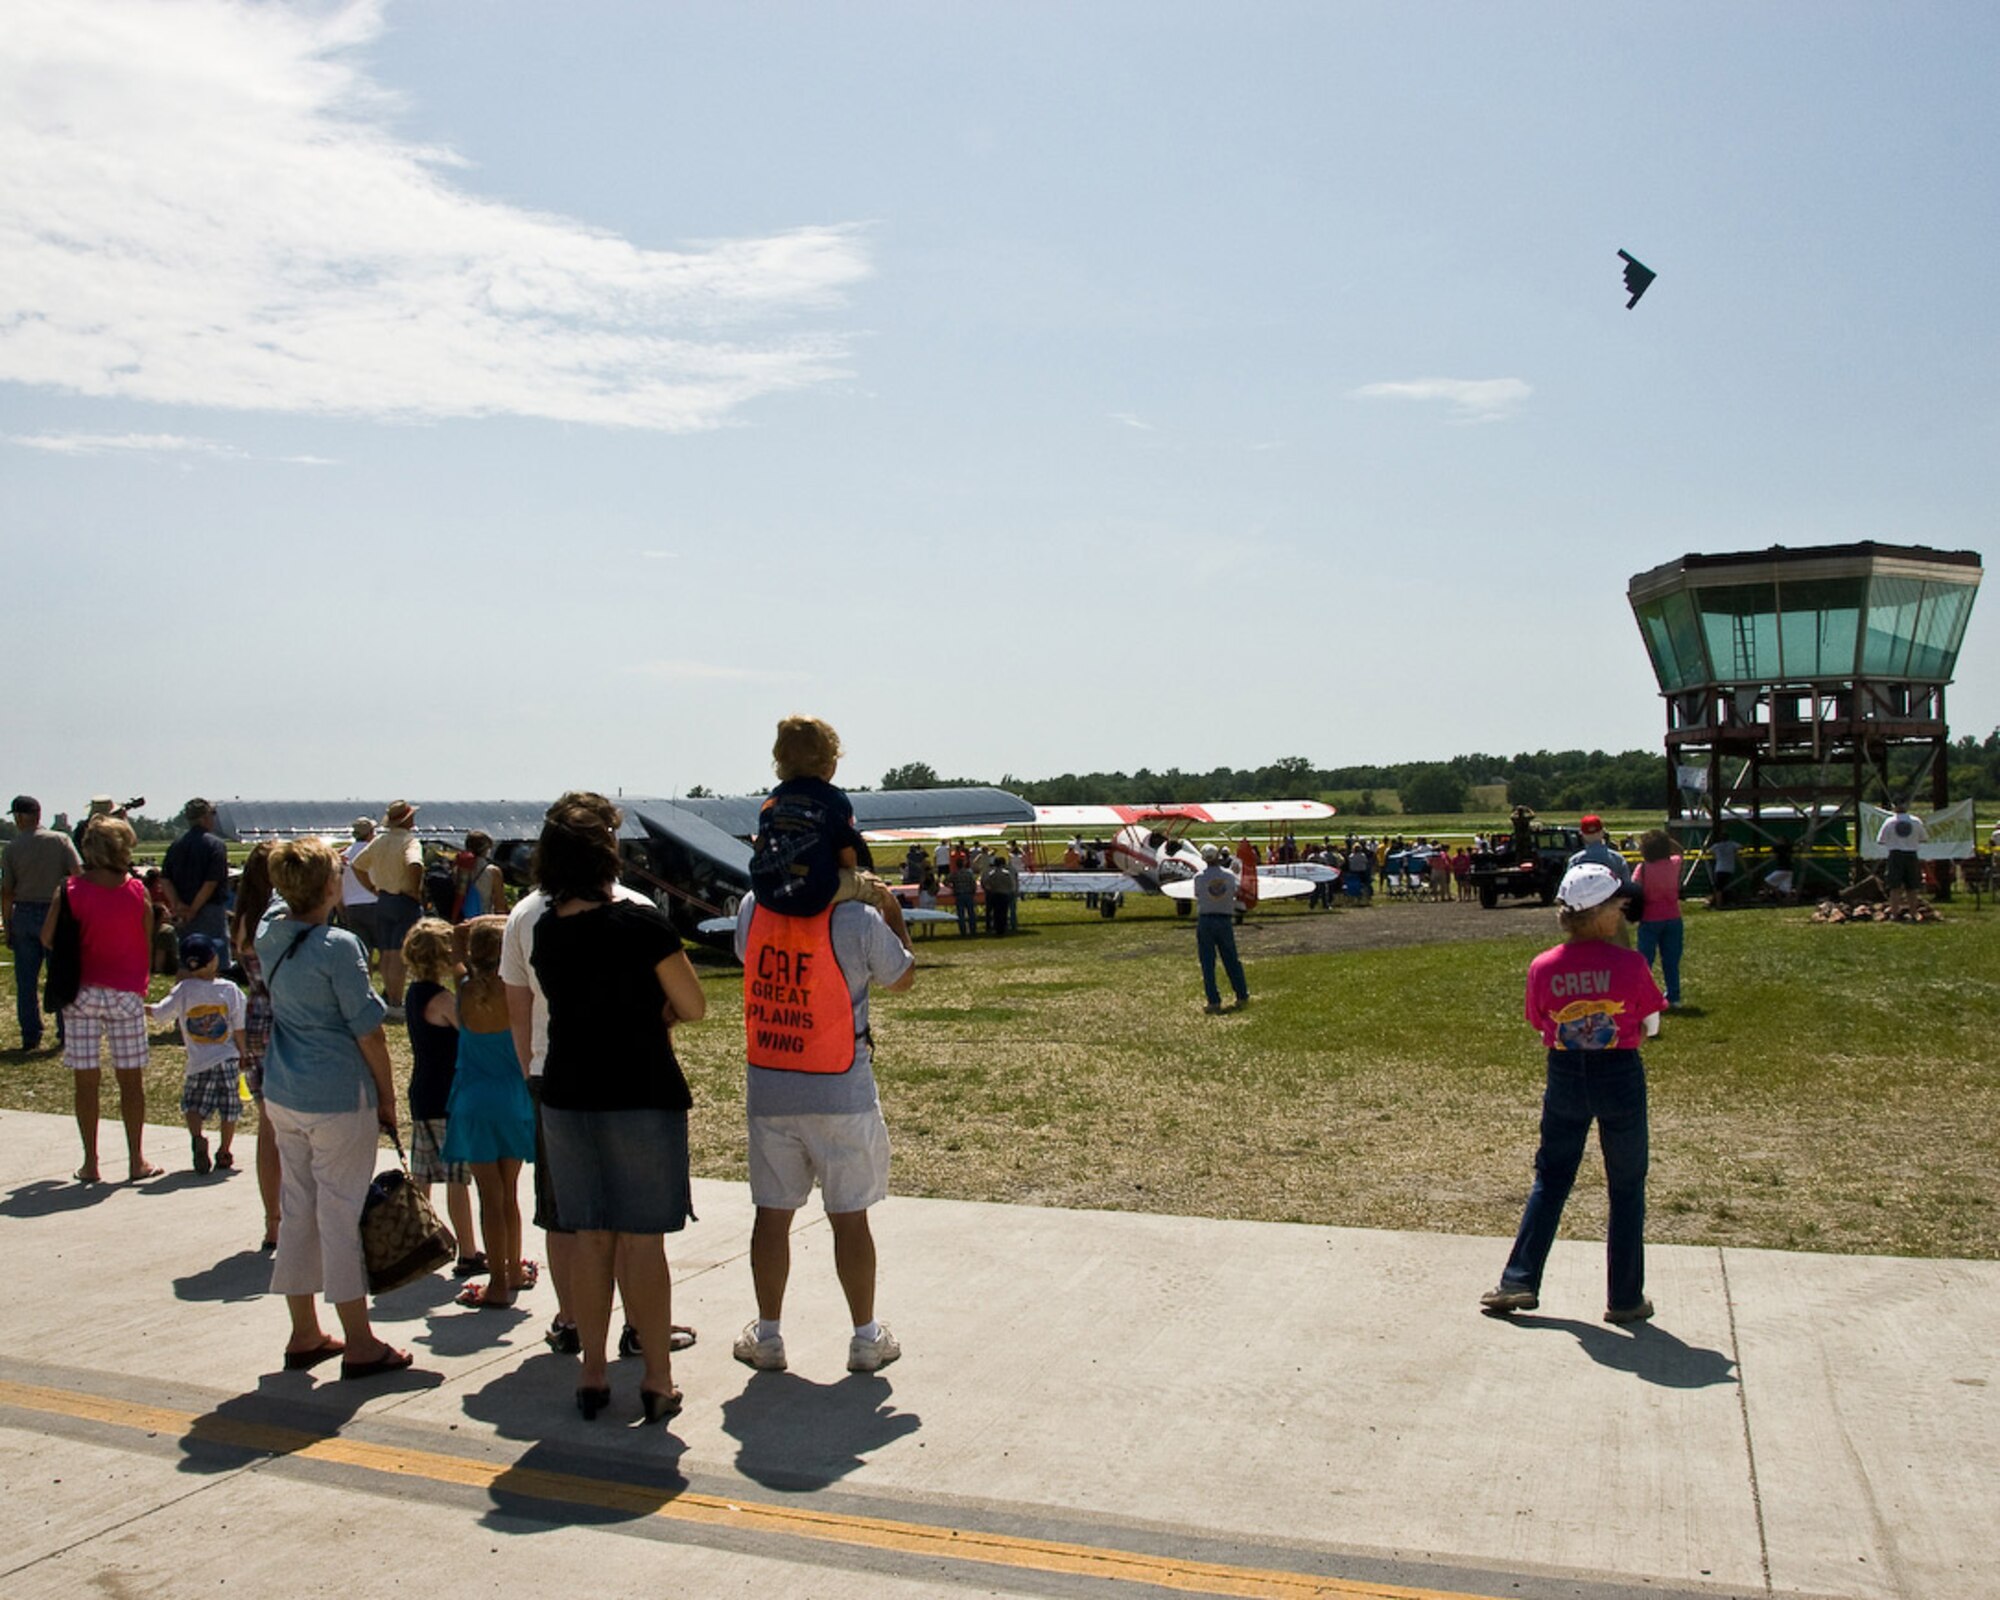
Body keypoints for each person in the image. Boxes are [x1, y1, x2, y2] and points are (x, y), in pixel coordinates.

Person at [530, 795, 706, 1421]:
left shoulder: (547, 930)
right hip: (640, 1091)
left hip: (569, 1094)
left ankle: (593, 1370)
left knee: (589, 1237)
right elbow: (692, 1005)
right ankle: (657, 1377)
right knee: (642, 1243)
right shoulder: (643, 924)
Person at [732, 865, 916, 1376]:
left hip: (772, 1082)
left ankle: (768, 1335)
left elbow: (746, 957)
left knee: (771, 1215)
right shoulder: (856, 915)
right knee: (850, 1217)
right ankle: (865, 1337)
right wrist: (893, 912)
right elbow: (902, 979)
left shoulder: (755, 905)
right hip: (841, 1089)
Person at [1481, 862, 1665, 1325]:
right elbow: (1651, 1022)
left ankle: (1518, 1280)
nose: (1625, 909)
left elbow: (1538, 1019)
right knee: (1626, 1185)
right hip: (1619, 1073)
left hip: (1564, 1072)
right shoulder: (1631, 963)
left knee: (1552, 1176)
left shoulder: (1543, 966)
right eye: (1619, 904)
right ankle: (1624, 1298)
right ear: (1602, 913)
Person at [256, 835, 411, 1380]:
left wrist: (310, 859)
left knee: (298, 1208)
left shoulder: (269, 932)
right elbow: (369, 1033)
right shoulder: (338, 947)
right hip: (339, 1096)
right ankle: (359, 1340)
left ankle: (304, 1330)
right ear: (329, 884)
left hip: (284, 1090)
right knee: (341, 1215)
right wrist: (388, 1098)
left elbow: (284, 898)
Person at [47, 817, 160, 1181]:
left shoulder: (71, 889)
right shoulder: (136, 891)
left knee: (86, 1080)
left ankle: (91, 1162)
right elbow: (146, 940)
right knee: (131, 1080)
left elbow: (48, 937)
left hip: (82, 991)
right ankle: (135, 1159)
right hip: (126, 991)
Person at [749, 715, 913, 953]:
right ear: (829, 764)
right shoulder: (834, 800)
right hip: (814, 890)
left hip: (765, 890)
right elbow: (847, 855)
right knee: (882, 893)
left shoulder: (770, 802)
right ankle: (902, 954)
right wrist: (856, 877)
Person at [441, 916, 538, 1309]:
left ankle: (497, 1281)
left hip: (474, 1102)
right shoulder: (516, 993)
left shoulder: (463, 991)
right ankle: (512, 1268)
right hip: (513, 1099)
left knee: (489, 1197)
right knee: (510, 1194)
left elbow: (454, 939)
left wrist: (474, 927)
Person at [400, 918, 479, 1281]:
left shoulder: (413, 993)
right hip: (449, 1095)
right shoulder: (444, 998)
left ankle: (418, 1244)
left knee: (423, 1174)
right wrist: (466, 972)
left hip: (422, 1091)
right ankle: (468, 1250)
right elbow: (472, 1030)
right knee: (457, 1178)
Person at [147, 933, 246, 1176]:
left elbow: (161, 1013)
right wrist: (245, 1053)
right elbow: (240, 1026)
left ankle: (198, 1137)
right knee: (229, 1108)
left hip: (199, 1062)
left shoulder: (184, 989)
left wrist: (140, 1007)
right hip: (227, 1058)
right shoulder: (230, 990)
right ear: (213, 961)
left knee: (192, 1105)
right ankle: (224, 1150)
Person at [229, 842, 284, 1250]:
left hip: (257, 1014)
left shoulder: (244, 917)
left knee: (269, 1124)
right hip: (285, 1015)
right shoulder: (279, 919)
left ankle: (273, 1221)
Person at [4, 795, 82, 1051]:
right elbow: (77, 875)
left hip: (24, 912)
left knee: (26, 980)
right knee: (59, 973)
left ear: (20, 817)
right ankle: (66, 1030)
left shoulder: (12, 847)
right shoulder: (60, 840)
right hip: (56, 910)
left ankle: (30, 1033)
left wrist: (8, 922)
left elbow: (7, 890)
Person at [355, 801, 424, 1017]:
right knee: (398, 954)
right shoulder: (409, 842)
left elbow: (357, 865)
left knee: (386, 952)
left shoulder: (379, 841)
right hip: (403, 899)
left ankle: (389, 999)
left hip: (383, 899)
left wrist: (371, 888)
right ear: (408, 820)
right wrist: (414, 889)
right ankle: (396, 1001)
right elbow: (415, 864)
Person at [161, 798, 232, 944]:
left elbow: (165, 879)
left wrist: (177, 904)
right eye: (212, 814)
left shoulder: (176, 845)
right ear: (204, 817)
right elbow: (211, 882)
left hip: (182, 912)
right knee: (214, 957)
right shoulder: (216, 845)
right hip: (209, 911)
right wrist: (193, 910)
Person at [1192, 844, 1249, 1015]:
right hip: (1224, 920)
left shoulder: (1199, 878)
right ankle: (1241, 995)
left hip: (1206, 920)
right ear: (1218, 857)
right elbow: (1235, 891)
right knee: (1231, 959)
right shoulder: (1230, 876)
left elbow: (1197, 895)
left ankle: (1214, 1001)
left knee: (1207, 963)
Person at [1633, 830, 1685, 1009]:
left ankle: (1644, 995)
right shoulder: (1674, 864)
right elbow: (1681, 852)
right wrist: (1668, 840)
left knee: (1645, 960)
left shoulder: (1644, 868)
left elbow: (1635, 889)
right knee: (1671, 960)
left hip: (1649, 917)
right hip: (1673, 916)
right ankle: (1674, 996)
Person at [1877, 797, 1929, 918]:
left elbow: (1881, 840)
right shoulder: (1916, 821)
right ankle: (1913, 913)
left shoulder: (1889, 822)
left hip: (1895, 855)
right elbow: (1923, 838)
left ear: (1894, 806)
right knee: (1912, 887)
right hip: (1911, 854)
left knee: (1894, 887)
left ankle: (1895, 914)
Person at [339, 817, 379, 958]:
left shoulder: (343, 856)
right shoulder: (375, 853)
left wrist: (340, 907)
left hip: (352, 907)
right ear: (370, 833)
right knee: (386, 951)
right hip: (376, 903)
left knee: (362, 953)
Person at [454, 832, 506, 921]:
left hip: (462, 919)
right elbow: (499, 905)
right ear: (486, 849)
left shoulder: (458, 868)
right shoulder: (493, 871)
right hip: (483, 920)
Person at [981, 851, 1015, 935]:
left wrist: (990, 889)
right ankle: (1003, 928)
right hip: (1004, 894)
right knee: (1003, 912)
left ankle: (997, 928)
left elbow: (986, 883)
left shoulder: (991, 874)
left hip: (995, 894)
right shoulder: (1006, 874)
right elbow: (1011, 884)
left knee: (996, 913)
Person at [949, 857, 979, 936]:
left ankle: (963, 931)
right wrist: (973, 892)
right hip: (968, 894)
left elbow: (946, 881)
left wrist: (952, 887)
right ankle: (973, 930)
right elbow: (973, 884)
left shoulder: (955, 874)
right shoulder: (968, 873)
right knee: (971, 913)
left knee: (961, 914)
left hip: (959, 895)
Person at [1709, 831, 1740, 905]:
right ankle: (1728, 900)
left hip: (1719, 868)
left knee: (1718, 887)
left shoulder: (1716, 846)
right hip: (1730, 868)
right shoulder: (1732, 844)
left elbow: (1710, 851)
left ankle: (1719, 903)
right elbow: (1741, 847)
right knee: (1728, 885)